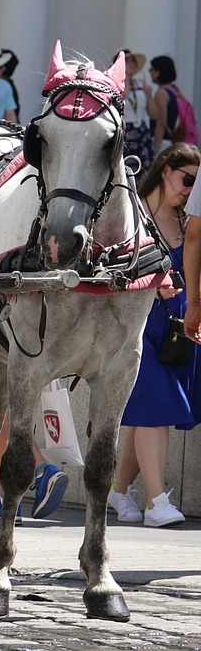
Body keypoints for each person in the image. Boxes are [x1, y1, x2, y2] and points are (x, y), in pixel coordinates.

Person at [108, 143, 198, 528]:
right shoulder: (133, 213)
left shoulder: (187, 222)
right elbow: (106, 264)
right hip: (136, 324)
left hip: (176, 331)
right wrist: (150, 281)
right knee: (156, 407)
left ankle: (118, 491)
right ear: (166, 170)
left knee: (146, 412)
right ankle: (157, 502)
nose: (191, 189)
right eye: (187, 179)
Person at [151, 55, 197, 152]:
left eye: (152, 69)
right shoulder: (175, 90)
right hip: (175, 141)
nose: (150, 72)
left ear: (158, 72)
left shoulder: (161, 93)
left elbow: (161, 122)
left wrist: (156, 146)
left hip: (164, 141)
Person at [120, 49, 157, 169]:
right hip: (124, 131)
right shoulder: (115, 85)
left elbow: (154, 115)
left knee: (144, 170)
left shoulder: (141, 84)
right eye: (127, 61)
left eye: (133, 61)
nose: (131, 64)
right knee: (126, 169)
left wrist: (149, 96)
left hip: (141, 131)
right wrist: (122, 96)